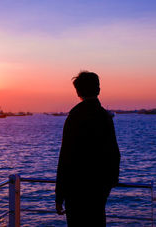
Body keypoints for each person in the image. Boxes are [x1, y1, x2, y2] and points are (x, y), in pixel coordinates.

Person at [55, 71, 120, 226]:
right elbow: (114, 154)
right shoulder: (105, 117)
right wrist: (109, 183)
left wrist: (59, 196)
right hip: (99, 190)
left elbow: (65, 158)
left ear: (78, 91)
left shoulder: (74, 117)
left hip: (75, 190)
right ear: (98, 89)